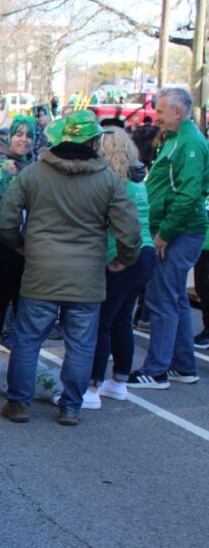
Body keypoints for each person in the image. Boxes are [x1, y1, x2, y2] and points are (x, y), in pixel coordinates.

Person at [0, 110, 141, 426]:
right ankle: (71, 407)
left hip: (40, 273)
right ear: (93, 140)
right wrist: (123, 259)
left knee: (28, 340)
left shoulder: (34, 173)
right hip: (87, 278)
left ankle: (18, 403)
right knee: (80, 345)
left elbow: (5, 219)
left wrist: (20, 245)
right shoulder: (108, 180)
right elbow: (129, 231)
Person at [128, 88, 209, 389]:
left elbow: (189, 195)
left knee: (162, 300)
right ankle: (183, 366)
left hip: (177, 232)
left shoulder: (188, 143)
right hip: (174, 229)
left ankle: (157, 369)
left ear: (177, 112)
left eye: (160, 111)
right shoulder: (178, 140)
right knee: (173, 299)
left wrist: (165, 233)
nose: (156, 116)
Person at [88, 128, 156, 404]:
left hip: (122, 257)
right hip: (145, 255)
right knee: (121, 322)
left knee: (102, 323)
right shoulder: (138, 181)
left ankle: (91, 388)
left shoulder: (112, 183)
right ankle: (119, 381)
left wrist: (115, 259)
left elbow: (114, 227)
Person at [0, 115, 36, 371]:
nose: (24, 140)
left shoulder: (36, 166)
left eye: (29, 135)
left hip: (28, 243)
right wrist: (3, 176)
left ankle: (19, 350)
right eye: (19, 134)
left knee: (23, 297)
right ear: (10, 136)